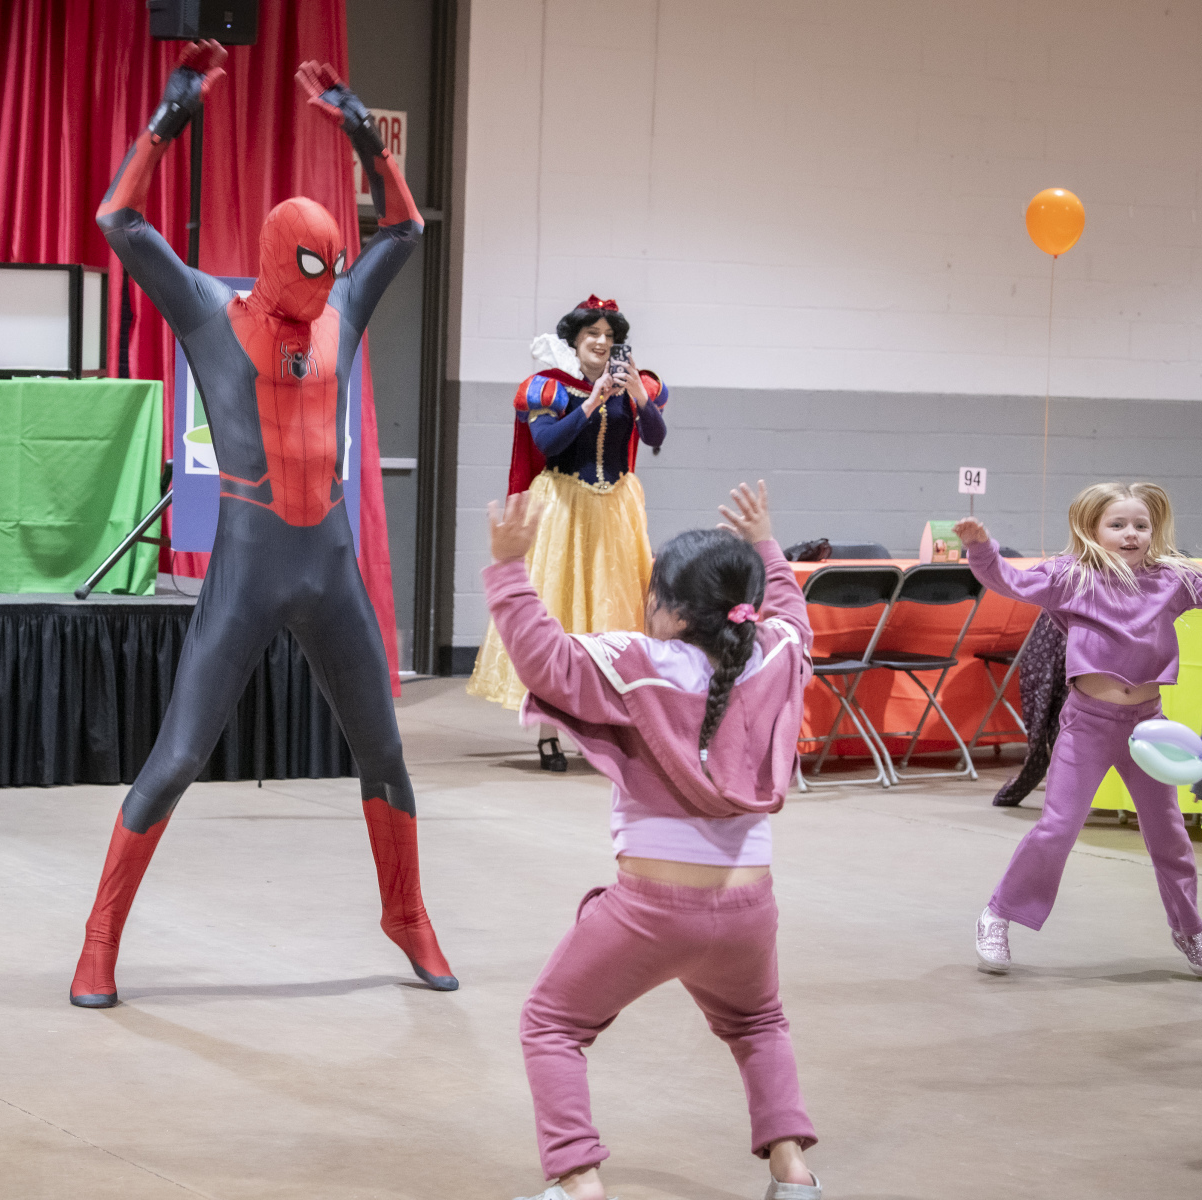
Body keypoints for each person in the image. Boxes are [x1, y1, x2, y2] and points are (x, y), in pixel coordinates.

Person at [68, 44, 455, 1007]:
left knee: (384, 752)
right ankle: (100, 939)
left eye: (334, 273)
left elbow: (407, 229)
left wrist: (366, 134)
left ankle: (407, 912)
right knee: (179, 757)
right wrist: (166, 124)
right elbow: (118, 220)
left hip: (329, 565)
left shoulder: (341, 306)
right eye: (310, 272)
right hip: (249, 567)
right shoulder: (210, 309)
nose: (325, 290)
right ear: (280, 260)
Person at [485, 480, 822, 1200]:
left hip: (651, 910)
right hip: (750, 909)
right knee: (758, 1023)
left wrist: (510, 567)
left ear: (671, 612)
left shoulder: (638, 661)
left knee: (552, 1023)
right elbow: (794, 615)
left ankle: (578, 1181)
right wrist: (767, 544)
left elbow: (545, 660)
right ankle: (793, 1173)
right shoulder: (778, 653)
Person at [957, 482, 1202, 977]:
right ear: (1092, 529)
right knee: (1057, 827)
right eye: (1117, 525)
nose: (1130, 534)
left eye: (1141, 525)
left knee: (1169, 834)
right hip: (1087, 725)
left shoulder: (1173, 580)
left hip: (1150, 730)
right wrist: (981, 547)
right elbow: (1008, 581)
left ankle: (1189, 928)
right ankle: (998, 914)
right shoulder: (1072, 576)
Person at [467, 298, 668, 771]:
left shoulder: (637, 386)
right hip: (563, 507)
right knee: (558, 615)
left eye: (608, 335)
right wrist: (594, 399)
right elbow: (548, 442)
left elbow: (656, 437)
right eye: (591, 334)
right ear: (574, 342)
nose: (601, 341)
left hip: (616, 511)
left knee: (614, 618)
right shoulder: (550, 388)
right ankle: (549, 734)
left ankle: (609, 726)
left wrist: (637, 396)